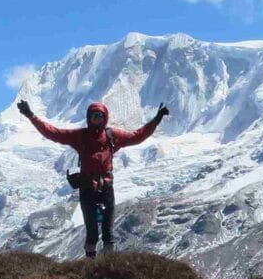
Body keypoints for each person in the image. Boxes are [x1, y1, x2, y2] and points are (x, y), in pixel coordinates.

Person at [17, 98, 169, 258]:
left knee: (108, 233)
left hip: (106, 189)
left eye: (100, 116)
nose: (96, 119)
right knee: (92, 233)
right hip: (87, 189)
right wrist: (31, 115)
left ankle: (107, 268)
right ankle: (92, 269)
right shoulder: (80, 136)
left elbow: (138, 136)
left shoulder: (112, 136)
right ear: (88, 118)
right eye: (94, 116)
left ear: (105, 118)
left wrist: (157, 119)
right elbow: (53, 133)